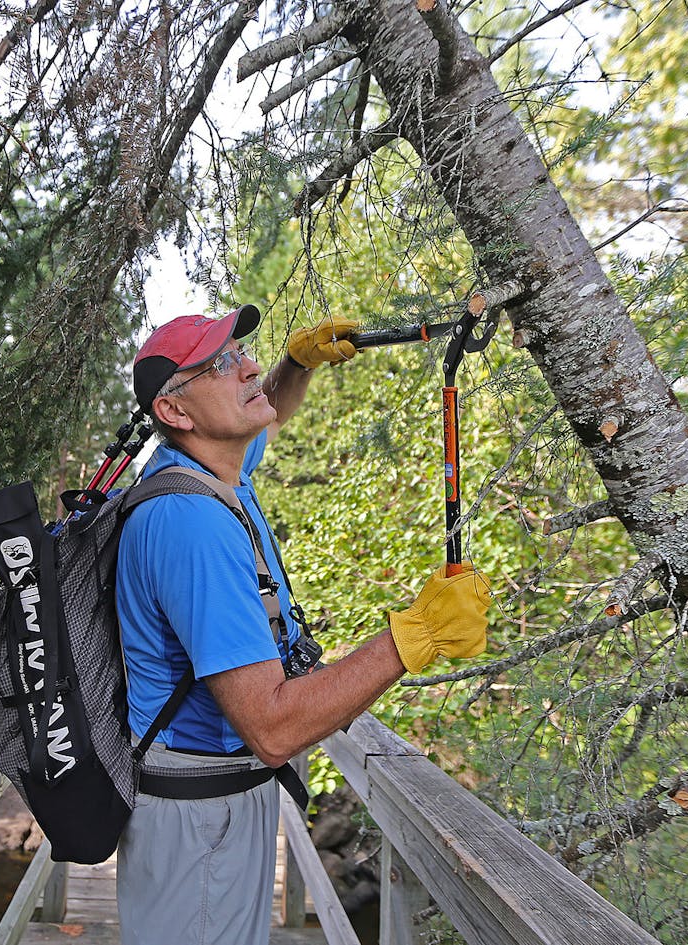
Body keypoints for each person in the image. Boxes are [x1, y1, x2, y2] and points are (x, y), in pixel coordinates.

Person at [115, 303, 490, 945]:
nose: (249, 368)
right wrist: (415, 636)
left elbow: (270, 411)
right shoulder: (193, 524)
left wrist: (298, 363)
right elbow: (272, 726)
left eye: (242, 354)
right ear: (175, 412)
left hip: (210, 800)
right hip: (202, 815)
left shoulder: (210, 470)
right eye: (220, 365)